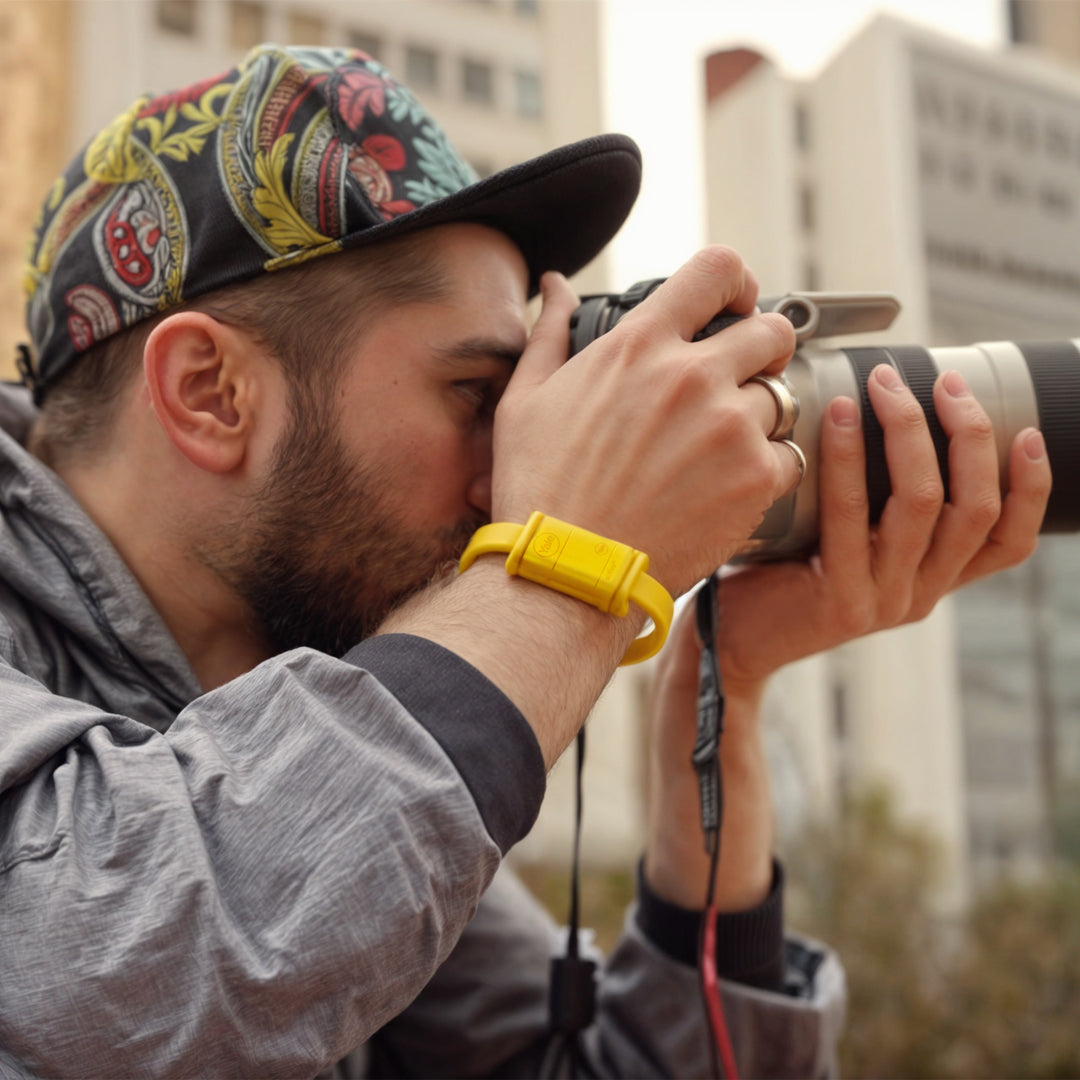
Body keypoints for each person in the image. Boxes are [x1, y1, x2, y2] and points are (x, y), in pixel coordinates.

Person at [0, 43, 1049, 1079]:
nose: (514, 473)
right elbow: (110, 984)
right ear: (209, 393)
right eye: (480, 399)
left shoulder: (316, 700)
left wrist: (717, 697)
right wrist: (570, 570)